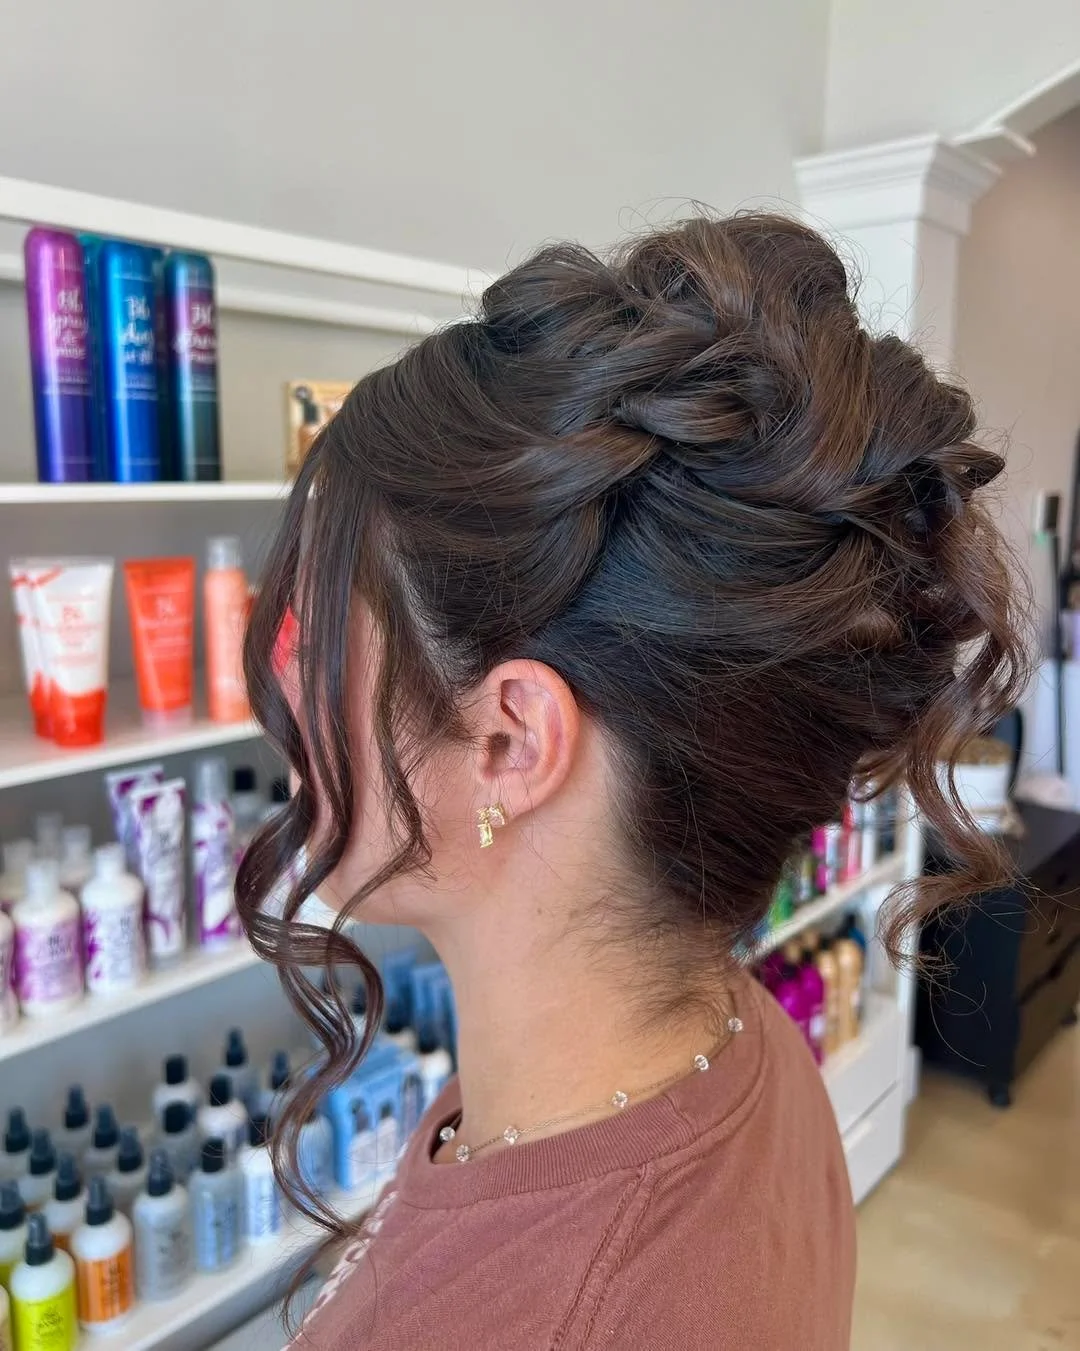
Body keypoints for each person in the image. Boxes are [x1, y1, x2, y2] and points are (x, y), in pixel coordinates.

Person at [238, 214, 1025, 1349]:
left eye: (319, 632)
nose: (284, 685)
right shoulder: (737, 1039)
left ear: (511, 738)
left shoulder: (549, 1312)